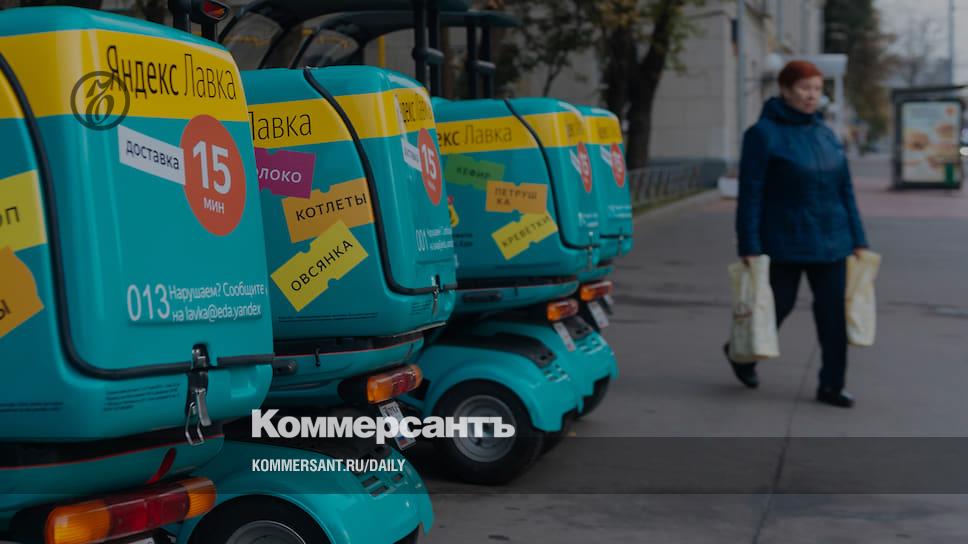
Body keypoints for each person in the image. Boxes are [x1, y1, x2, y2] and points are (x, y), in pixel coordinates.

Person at [726, 60, 869, 408]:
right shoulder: (762, 135)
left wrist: (859, 238)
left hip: (832, 240)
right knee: (776, 306)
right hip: (784, 239)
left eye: (817, 89)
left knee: (834, 316)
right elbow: (751, 194)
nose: (811, 96)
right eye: (804, 88)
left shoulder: (825, 134)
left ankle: (832, 385)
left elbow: (845, 190)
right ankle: (741, 354)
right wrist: (749, 244)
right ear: (785, 89)